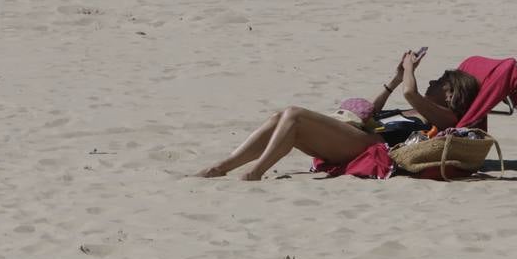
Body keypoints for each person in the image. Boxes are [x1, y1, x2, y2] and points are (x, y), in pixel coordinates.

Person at [196, 49, 480, 180]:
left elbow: (410, 92)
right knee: (280, 116)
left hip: (371, 148)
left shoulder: (445, 119)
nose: (432, 82)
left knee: (294, 114)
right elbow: (372, 110)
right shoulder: (414, 106)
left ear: (451, 93)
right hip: (358, 136)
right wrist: (394, 79)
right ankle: (221, 167)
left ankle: (255, 172)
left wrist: (409, 69)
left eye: (440, 81)